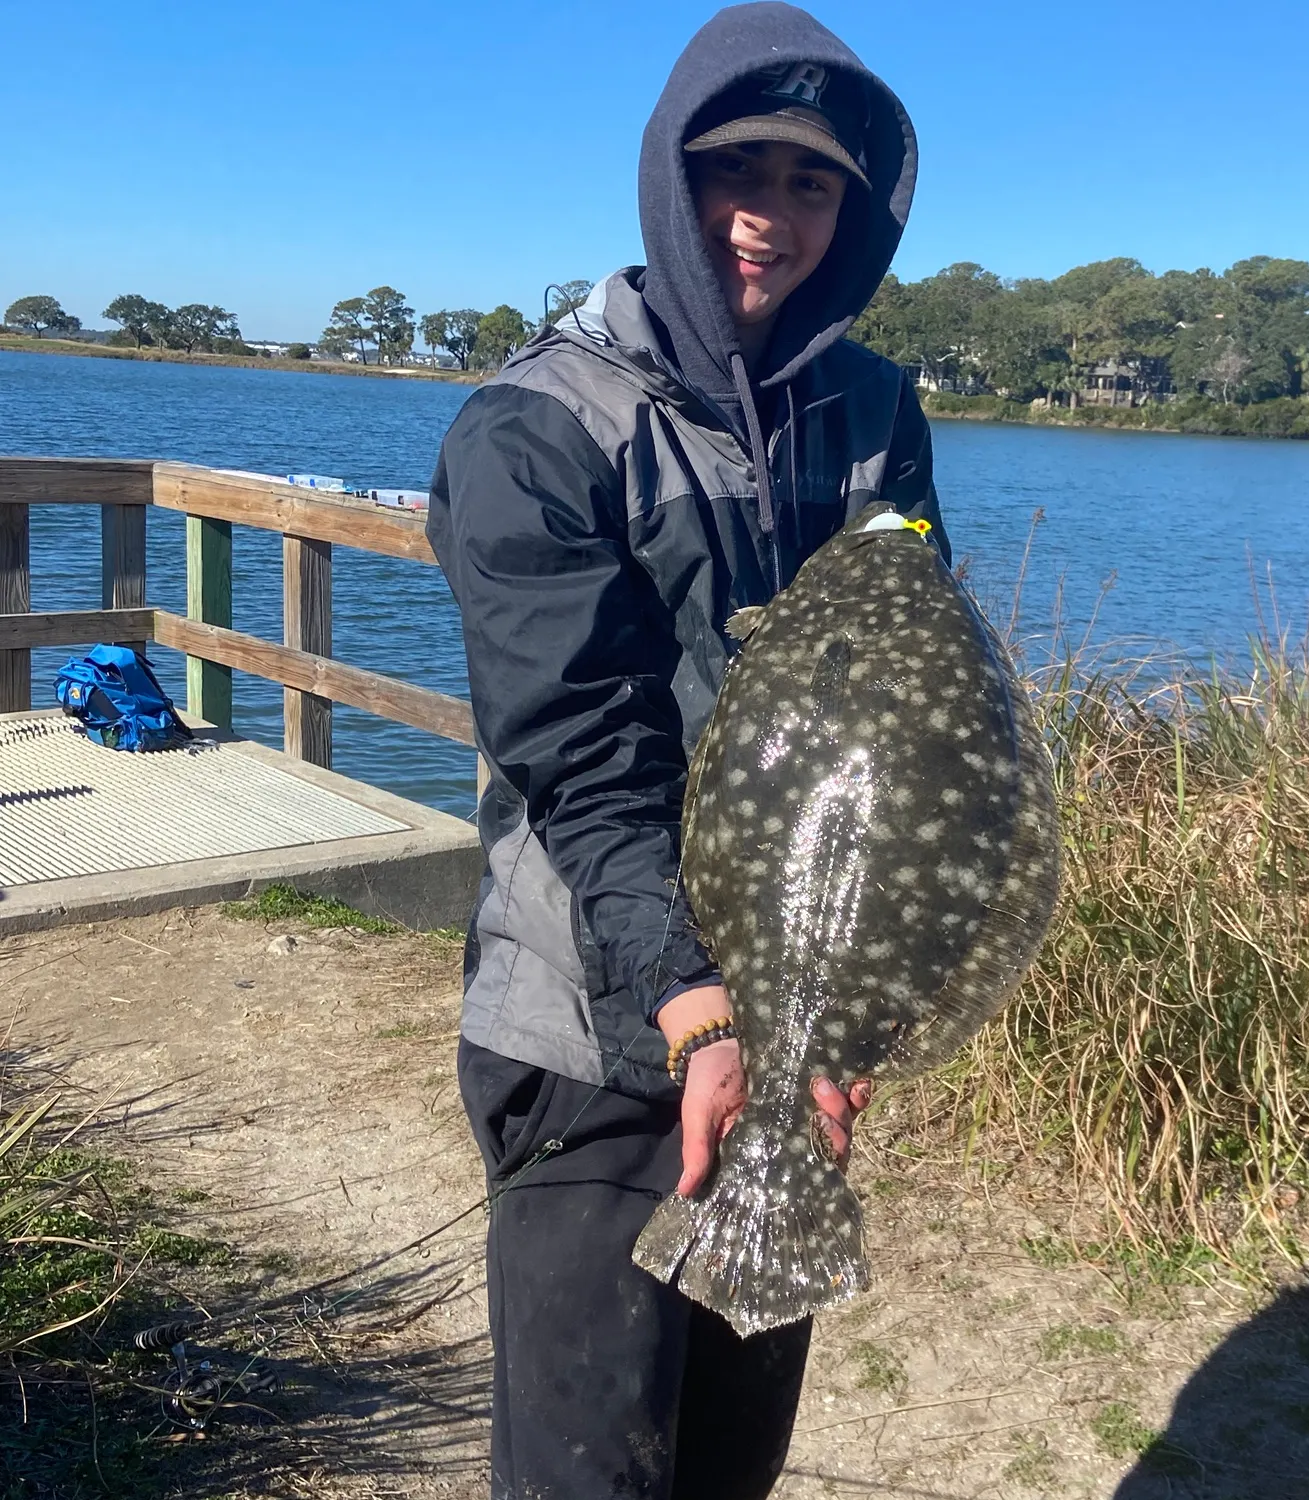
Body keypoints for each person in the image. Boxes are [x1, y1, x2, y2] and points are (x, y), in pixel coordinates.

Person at [426, 4, 949, 1496]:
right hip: (587, 1030)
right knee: (592, 1467)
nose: (766, 219)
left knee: (729, 1463)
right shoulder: (533, 429)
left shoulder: (875, 413)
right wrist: (694, 1001)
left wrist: (831, 1022)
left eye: (810, 185)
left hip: (790, 1022)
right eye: (739, 171)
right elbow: (576, 753)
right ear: (672, 177)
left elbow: (904, 707)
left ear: (853, 211)